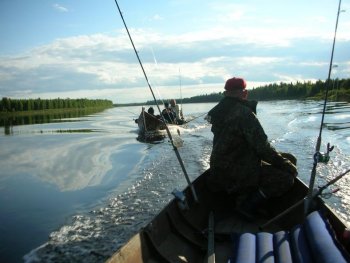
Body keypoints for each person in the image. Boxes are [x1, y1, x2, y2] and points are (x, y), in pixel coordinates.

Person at [206, 77, 298, 220]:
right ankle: (245, 204)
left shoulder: (218, 112)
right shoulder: (244, 114)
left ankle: (245, 193)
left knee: (290, 158)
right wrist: (288, 166)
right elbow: (263, 149)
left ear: (225, 94)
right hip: (236, 172)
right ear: (245, 93)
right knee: (286, 178)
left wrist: (285, 161)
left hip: (219, 169)